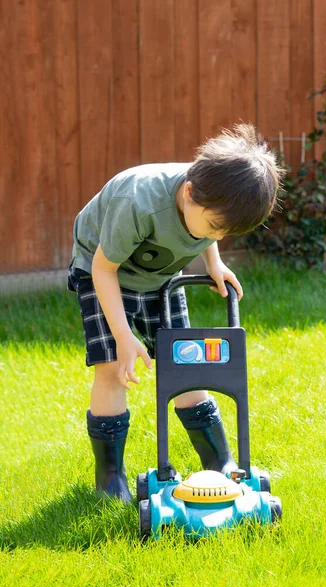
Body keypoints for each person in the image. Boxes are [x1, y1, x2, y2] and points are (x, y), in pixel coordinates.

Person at [67, 123, 283, 502]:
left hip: (161, 277)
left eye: (225, 234)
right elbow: (104, 269)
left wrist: (212, 262)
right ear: (188, 193)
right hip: (103, 273)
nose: (216, 237)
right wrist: (123, 337)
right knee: (113, 370)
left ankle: (220, 460)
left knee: (184, 363)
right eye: (215, 228)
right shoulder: (139, 202)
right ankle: (110, 479)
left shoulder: (210, 195)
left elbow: (206, 231)